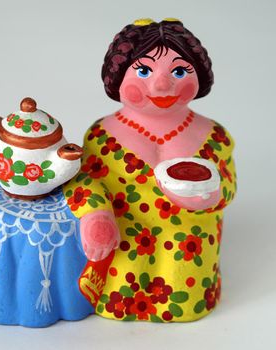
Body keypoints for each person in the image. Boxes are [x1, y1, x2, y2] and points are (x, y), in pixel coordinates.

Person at [63, 18, 237, 322]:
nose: (161, 85)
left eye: (179, 71)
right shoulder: (102, 135)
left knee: (185, 288)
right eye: (143, 71)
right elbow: (84, 182)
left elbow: (229, 183)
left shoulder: (213, 135)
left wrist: (211, 196)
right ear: (116, 76)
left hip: (190, 233)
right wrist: (96, 216)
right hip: (126, 232)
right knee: (120, 285)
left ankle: (190, 296)